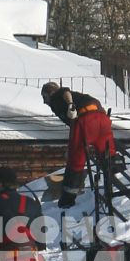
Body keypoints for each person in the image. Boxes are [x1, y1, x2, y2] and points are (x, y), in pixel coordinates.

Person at [40, 81, 117, 209]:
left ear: (50, 94)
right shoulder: (79, 96)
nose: (44, 101)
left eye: (45, 97)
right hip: (102, 118)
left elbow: (65, 92)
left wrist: (70, 105)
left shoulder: (57, 98)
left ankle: (67, 200)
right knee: (109, 154)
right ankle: (118, 182)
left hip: (85, 120)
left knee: (76, 161)